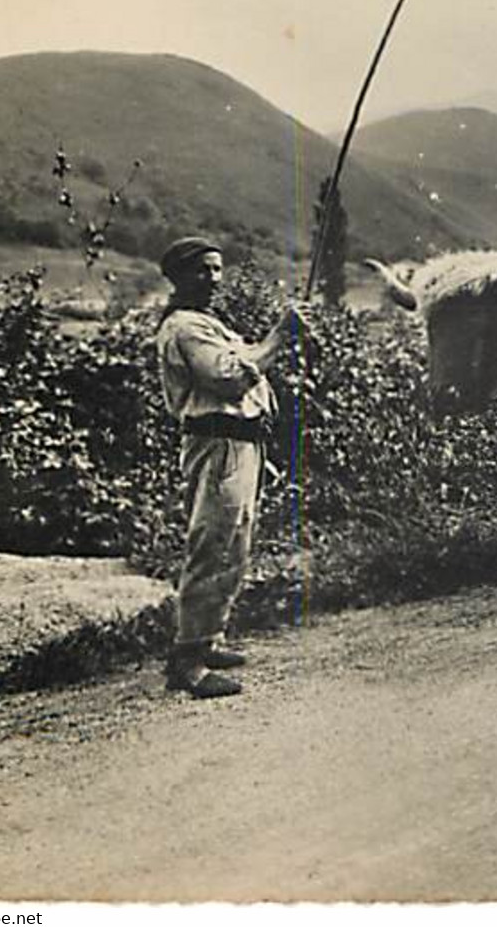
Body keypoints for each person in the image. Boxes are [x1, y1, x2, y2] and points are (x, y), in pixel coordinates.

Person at [154, 237, 301, 699]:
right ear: (179, 277)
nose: (213, 279)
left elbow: (242, 363)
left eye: (217, 270)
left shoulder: (208, 324)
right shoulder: (185, 328)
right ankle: (188, 662)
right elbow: (230, 378)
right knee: (213, 543)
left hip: (241, 444)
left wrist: (274, 342)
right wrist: (279, 337)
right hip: (217, 445)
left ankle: (208, 638)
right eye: (203, 271)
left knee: (235, 544)